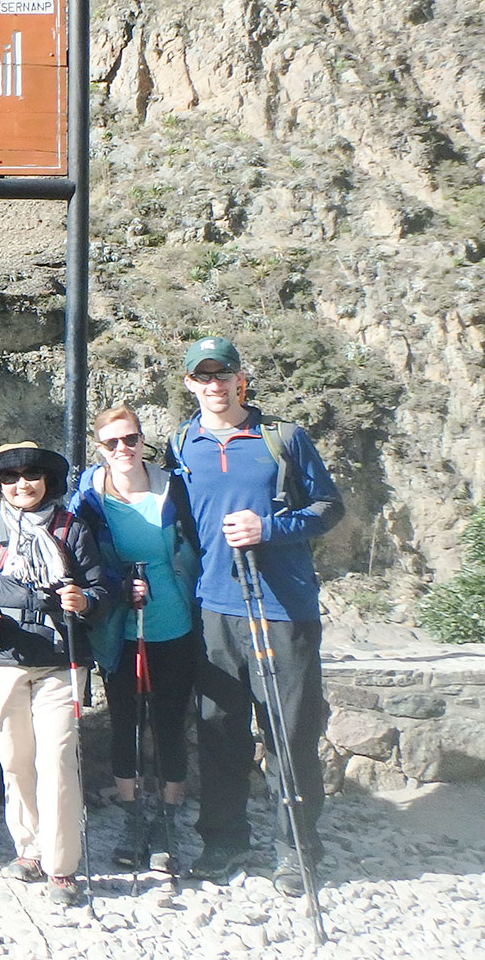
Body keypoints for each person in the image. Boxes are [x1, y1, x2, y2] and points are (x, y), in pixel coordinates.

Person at [166, 336, 344, 895]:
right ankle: (224, 841)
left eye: (223, 375)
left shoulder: (282, 439)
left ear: (240, 379)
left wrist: (269, 528)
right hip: (213, 607)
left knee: (289, 733)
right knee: (220, 731)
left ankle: (297, 851)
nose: (214, 385)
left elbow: (328, 507)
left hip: (281, 608)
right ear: (191, 384)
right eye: (203, 376)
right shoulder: (181, 445)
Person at [0, 440, 110, 907]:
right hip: (4, 659)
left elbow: (100, 589)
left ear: (47, 480)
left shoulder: (72, 530)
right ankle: (30, 850)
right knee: (16, 761)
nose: (21, 483)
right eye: (10, 477)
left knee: (58, 761)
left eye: (30, 474)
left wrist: (85, 601)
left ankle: (61, 868)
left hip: (62, 661)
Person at [67, 405, 202, 873]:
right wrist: (116, 583)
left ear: (143, 440)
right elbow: (79, 556)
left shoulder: (171, 486)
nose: (123, 449)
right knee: (125, 719)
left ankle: (166, 819)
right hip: (118, 625)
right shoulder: (88, 498)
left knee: (168, 720)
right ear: (99, 449)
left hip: (173, 620)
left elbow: (194, 544)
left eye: (130, 439)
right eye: (112, 443)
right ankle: (132, 818)